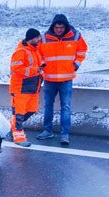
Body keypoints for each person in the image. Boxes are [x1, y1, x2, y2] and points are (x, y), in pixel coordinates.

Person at [36, 14, 88, 144]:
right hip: (49, 79)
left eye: (61, 27)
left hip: (66, 79)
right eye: (56, 27)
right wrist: (42, 65)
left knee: (66, 107)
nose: (59, 29)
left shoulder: (75, 36)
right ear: (53, 26)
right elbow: (37, 53)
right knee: (48, 106)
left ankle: (65, 134)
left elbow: (82, 50)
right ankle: (47, 131)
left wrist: (76, 64)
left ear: (66, 26)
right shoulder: (44, 38)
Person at [8, 28, 44, 147]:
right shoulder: (21, 51)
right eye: (37, 37)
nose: (39, 39)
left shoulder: (35, 50)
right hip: (21, 88)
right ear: (31, 38)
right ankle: (19, 138)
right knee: (19, 114)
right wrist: (36, 70)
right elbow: (16, 69)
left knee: (32, 109)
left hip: (33, 87)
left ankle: (13, 126)